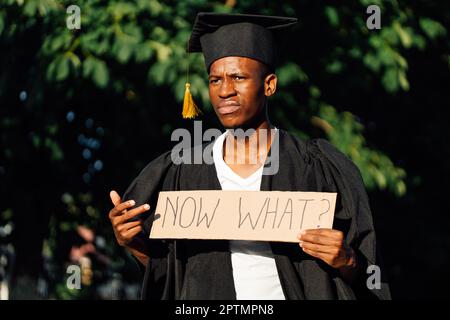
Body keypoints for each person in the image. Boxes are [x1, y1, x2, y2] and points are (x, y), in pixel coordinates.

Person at [108, 12, 391, 300]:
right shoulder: (181, 171)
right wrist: (132, 243)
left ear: (269, 84)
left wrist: (347, 261)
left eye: (238, 77)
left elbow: (369, 274)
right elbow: (171, 276)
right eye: (215, 80)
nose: (225, 91)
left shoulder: (316, 166)